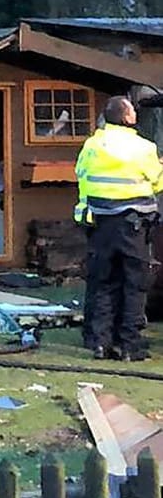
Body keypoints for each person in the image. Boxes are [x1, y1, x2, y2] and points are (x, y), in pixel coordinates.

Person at [75, 96, 163, 360]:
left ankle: (100, 343)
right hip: (132, 225)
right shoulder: (143, 147)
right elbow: (157, 183)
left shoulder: (92, 144)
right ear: (127, 118)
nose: (136, 112)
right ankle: (129, 345)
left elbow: (81, 173)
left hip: (99, 223)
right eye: (133, 110)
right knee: (134, 283)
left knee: (103, 281)